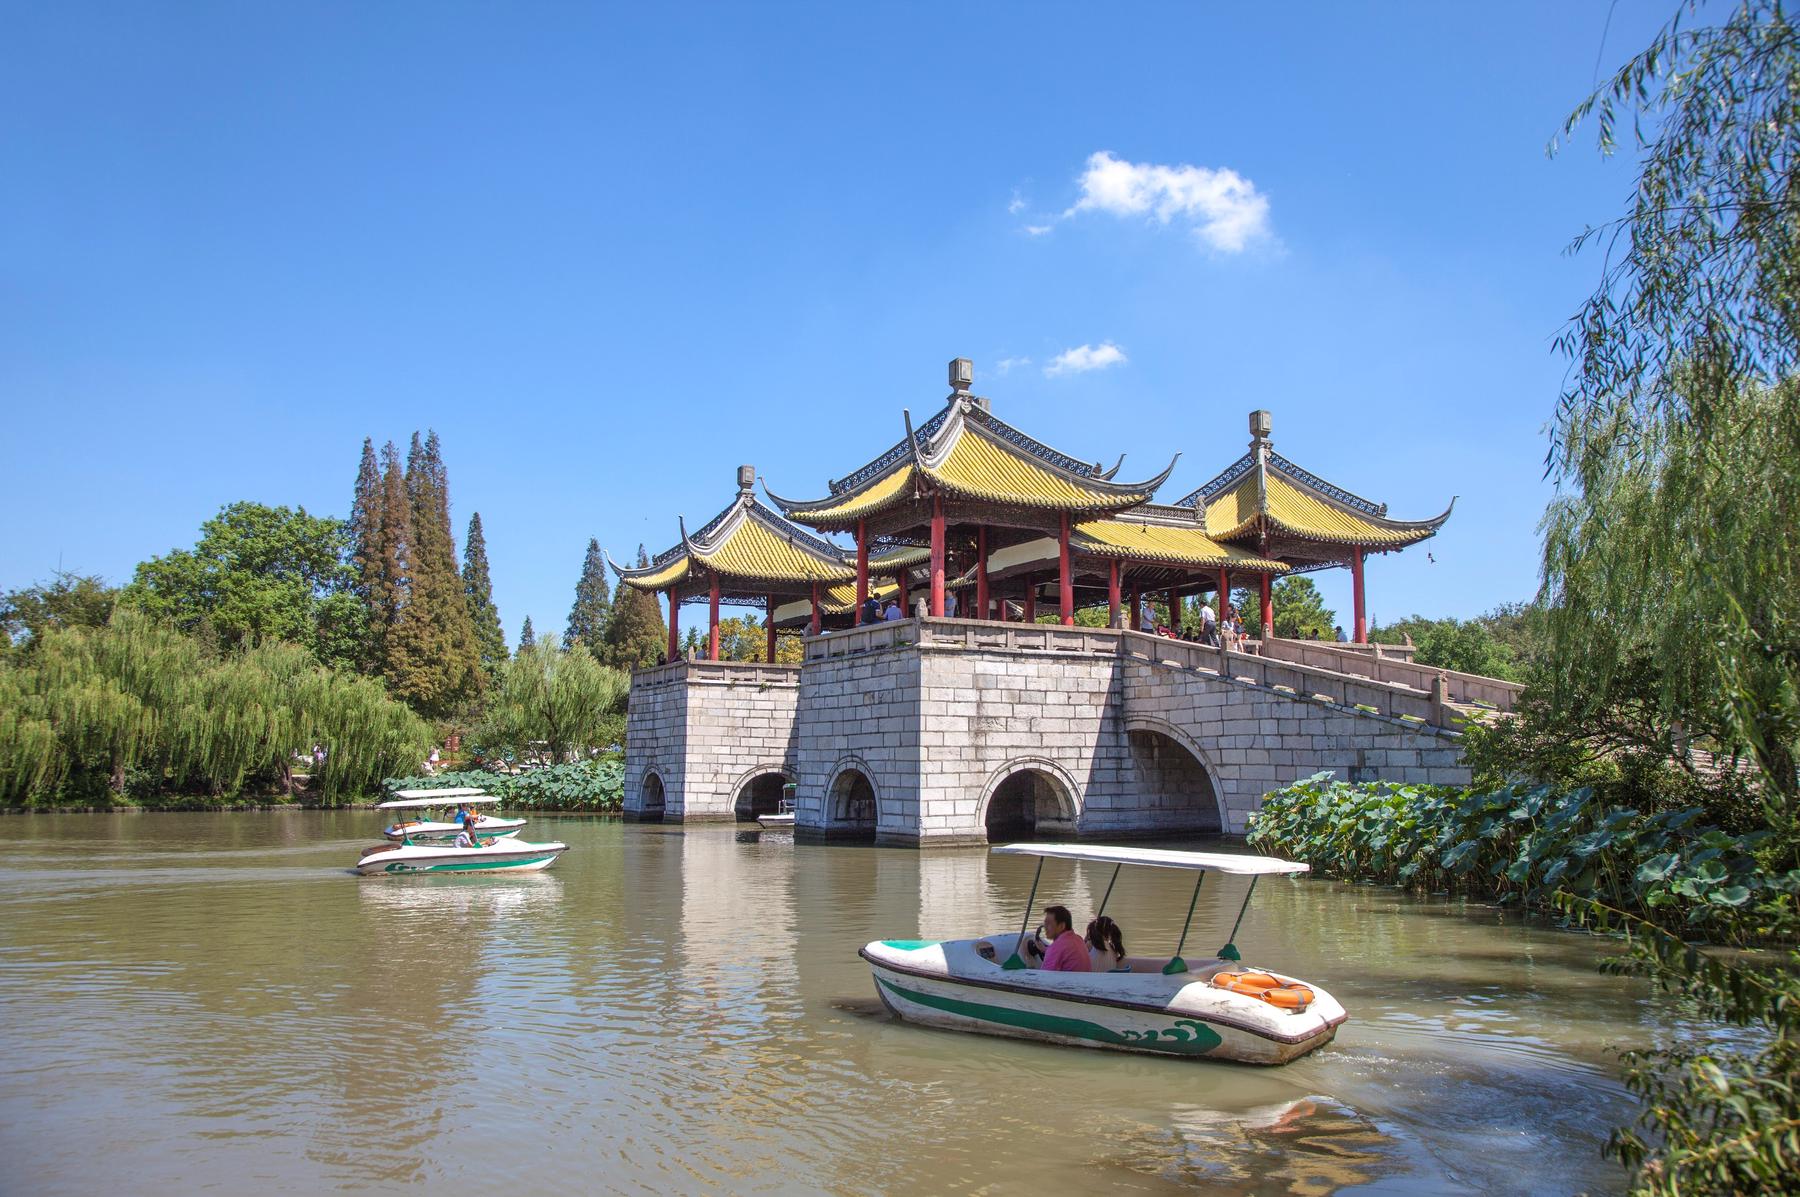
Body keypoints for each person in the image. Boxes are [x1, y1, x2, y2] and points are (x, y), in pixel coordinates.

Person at [1034, 905, 1091, 972]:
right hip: (1082, 980)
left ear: (1061, 926)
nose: (1045, 927)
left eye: (1049, 923)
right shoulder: (1078, 939)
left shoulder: (1056, 947)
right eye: (1045, 923)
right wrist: (1045, 950)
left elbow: (1043, 977)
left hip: (1070, 982)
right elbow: (1064, 952)